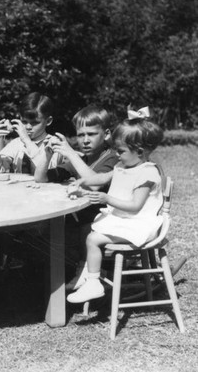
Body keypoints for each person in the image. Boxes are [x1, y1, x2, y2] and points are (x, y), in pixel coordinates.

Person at [66, 113, 165, 303]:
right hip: (124, 218)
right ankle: (90, 274)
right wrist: (81, 183)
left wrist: (106, 198)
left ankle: (93, 281)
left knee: (92, 238)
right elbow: (101, 178)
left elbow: (135, 206)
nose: (116, 155)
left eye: (120, 151)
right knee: (91, 229)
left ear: (140, 151)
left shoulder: (147, 173)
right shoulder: (123, 164)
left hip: (139, 223)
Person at [34, 105, 119, 275]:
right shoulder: (82, 159)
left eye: (92, 134)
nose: (85, 140)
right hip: (84, 218)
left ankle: (86, 271)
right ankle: (67, 269)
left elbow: (94, 183)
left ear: (107, 134)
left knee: (73, 227)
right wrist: (47, 154)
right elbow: (40, 178)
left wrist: (71, 153)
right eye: (81, 135)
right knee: (48, 228)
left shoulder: (112, 157)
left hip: (109, 219)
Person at [0, 92, 57, 175]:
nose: (28, 127)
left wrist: (27, 141)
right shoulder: (17, 143)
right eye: (24, 122)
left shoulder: (55, 143)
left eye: (35, 123)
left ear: (48, 121)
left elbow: (48, 173)